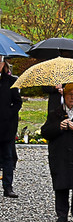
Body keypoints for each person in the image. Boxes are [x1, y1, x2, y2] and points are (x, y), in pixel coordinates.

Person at [40, 83, 73, 222]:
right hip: (60, 155)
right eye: (70, 95)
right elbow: (45, 132)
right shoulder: (55, 113)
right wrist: (58, 127)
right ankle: (62, 214)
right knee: (61, 184)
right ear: (64, 95)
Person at [0, 56, 22, 198]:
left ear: (3, 64)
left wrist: (8, 113)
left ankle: (8, 186)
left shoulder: (11, 81)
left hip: (6, 126)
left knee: (8, 157)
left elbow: (18, 102)